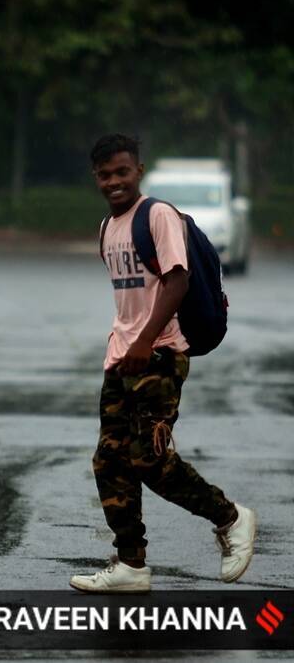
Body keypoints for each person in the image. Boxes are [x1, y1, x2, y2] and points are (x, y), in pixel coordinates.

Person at [69, 134, 257, 593]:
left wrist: (145, 341)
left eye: (122, 171)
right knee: (109, 461)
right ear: (96, 178)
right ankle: (131, 564)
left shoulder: (158, 215)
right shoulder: (106, 229)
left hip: (160, 354)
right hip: (122, 358)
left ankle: (231, 518)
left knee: (150, 461)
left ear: (139, 171)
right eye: (105, 174)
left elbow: (177, 282)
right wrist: (124, 347)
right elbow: (131, 297)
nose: (114, 181)